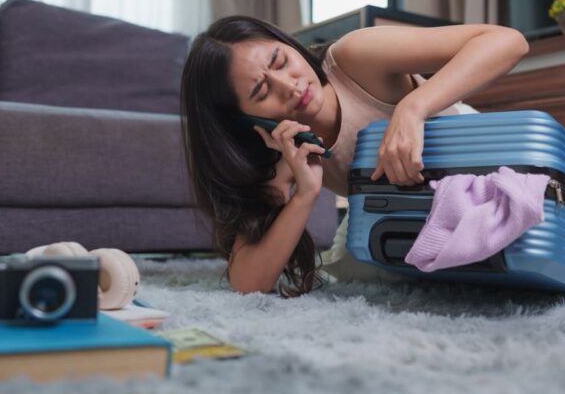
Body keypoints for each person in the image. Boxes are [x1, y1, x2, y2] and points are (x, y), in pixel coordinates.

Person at [179, 15, 530, 297]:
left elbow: (509, 41)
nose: (291, 86)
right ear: (245, 119)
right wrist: (305, 194)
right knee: (365, 274)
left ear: (289, 46)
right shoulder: (280, 148)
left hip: (474, 165)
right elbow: (248, 282)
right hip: (404, 211)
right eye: (262, 91)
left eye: (281, 61)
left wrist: (412, 109)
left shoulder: (356, 57)